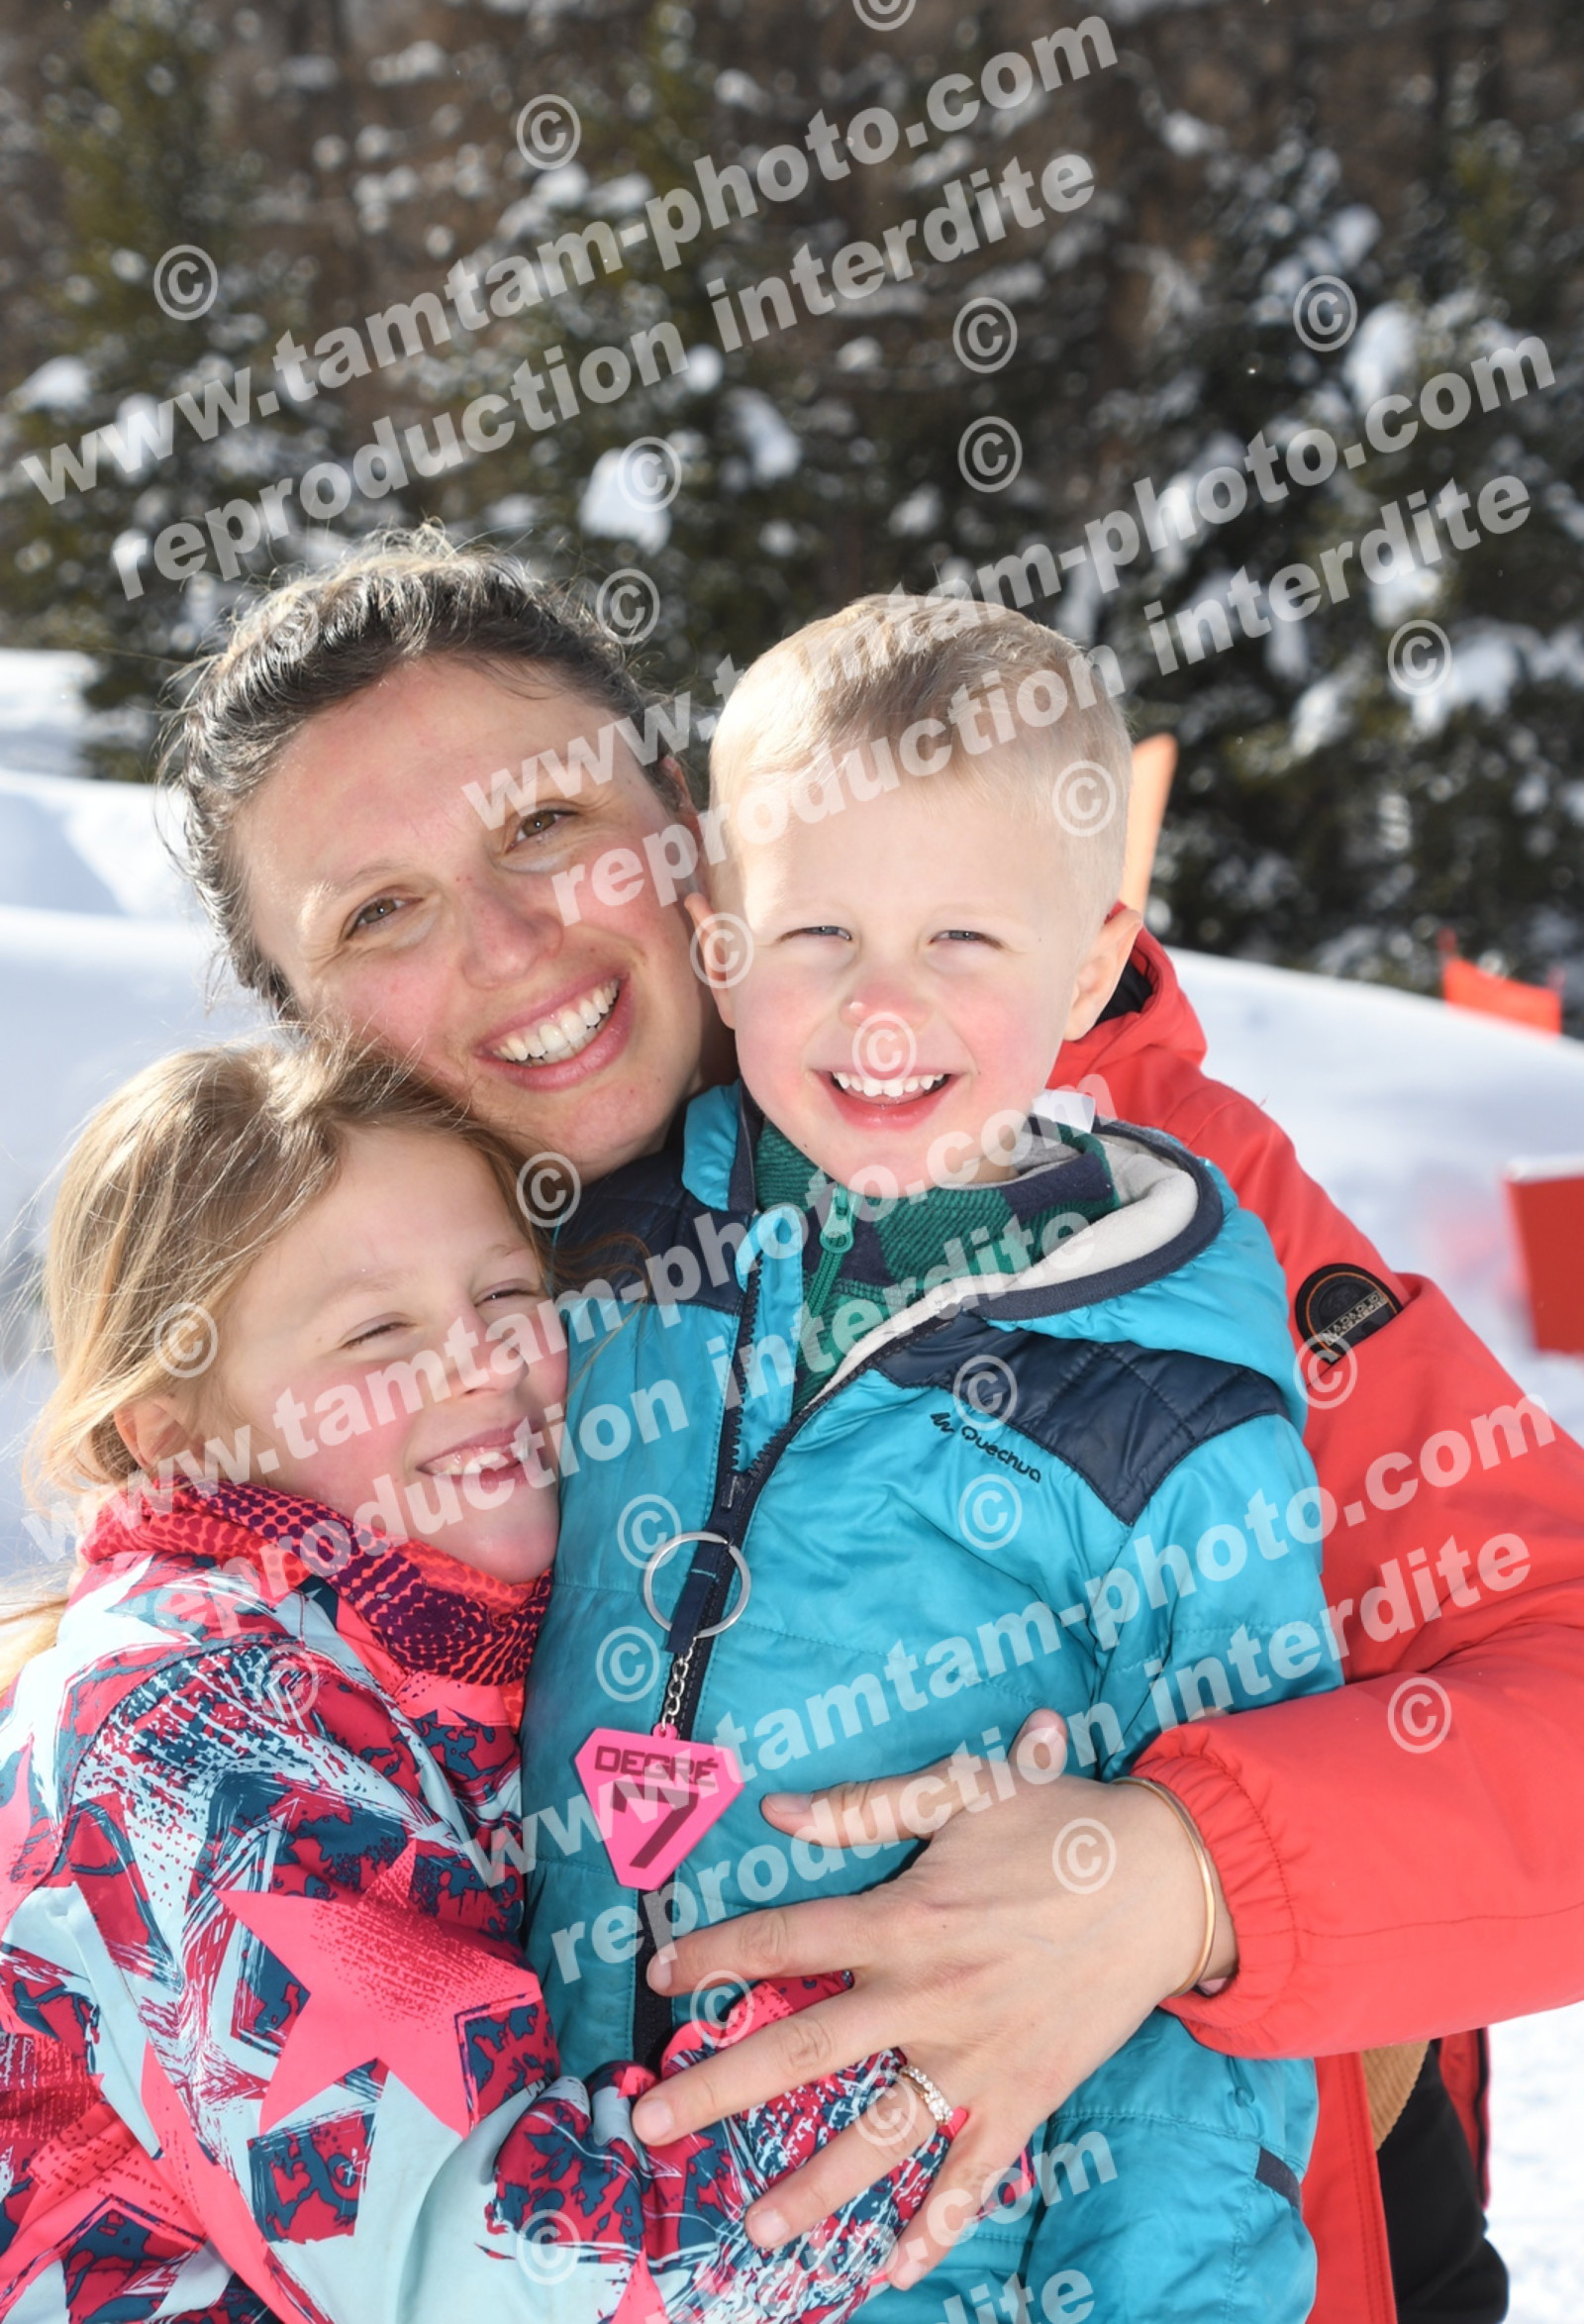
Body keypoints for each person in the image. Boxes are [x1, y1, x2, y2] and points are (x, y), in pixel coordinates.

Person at [160, 530, 1582, 2324]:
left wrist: (1184, 1877)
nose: (512, 943)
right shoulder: (344, 1326)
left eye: (544, 824)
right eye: (378, 911)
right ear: (299, 1017)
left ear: (685, 831)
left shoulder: (1135, 1216)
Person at [524, 593, 1344, 2320]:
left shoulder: (1171, 1393)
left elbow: (1211, 1993)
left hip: (930, 2256)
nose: (881, 1005)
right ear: (721, 944)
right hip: (565, 2219)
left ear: (1093, 962)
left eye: (962, 937)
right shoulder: (610, 1253)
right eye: (817, 930)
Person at [0, 1040, 945, 2323]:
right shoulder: (177, 1734)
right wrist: (933, 2033)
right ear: (176, 1434)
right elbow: (509, 2276)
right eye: (377, 1332)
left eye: (506, 1293)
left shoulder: (456, 1664)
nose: (480, 1360)